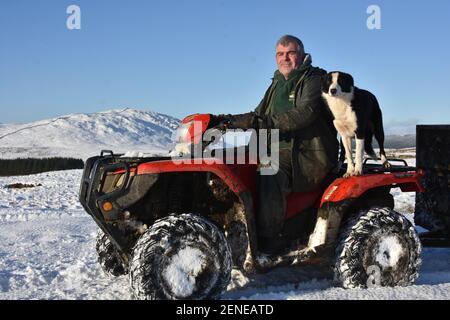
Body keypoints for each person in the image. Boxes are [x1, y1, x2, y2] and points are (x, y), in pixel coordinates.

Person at [212, 35, 339, 254]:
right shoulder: (277, 83)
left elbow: (304, 114)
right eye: (280, 54)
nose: (285, 58)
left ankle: (269, 239)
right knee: (232, 166)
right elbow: (258, 115)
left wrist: (262, 122)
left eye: (290, 53)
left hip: (306, 154)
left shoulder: (314, 79)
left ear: (301, 54)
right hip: (273, 148)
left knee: (269, 172)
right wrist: (225, 121)